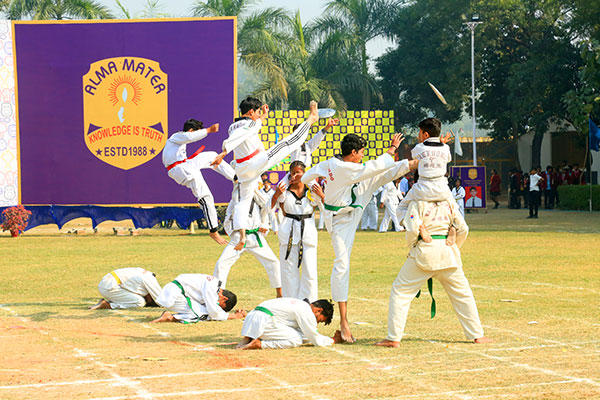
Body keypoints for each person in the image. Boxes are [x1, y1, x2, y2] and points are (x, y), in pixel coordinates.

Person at [302, 132, 417, 342]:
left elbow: (306, 177)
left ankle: (420, 161)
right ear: (353, 152)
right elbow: (370, 167)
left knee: (383, 174)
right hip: (339, 220)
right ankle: (343, 321)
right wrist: (391, 149)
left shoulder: (331, 164)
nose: (363, 155)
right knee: (342, 264)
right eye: (361, 152)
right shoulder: (342, 167)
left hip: (355, 201)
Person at [375, 199, 491, 347]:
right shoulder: (449, 201)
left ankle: (393, 337)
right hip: (447, 252)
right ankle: (477, 334)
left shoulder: (418, 201)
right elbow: (464, 228)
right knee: (463, 294)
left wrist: (413, 247)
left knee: (400, 292)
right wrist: (454, 246)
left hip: (424, 251)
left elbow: (411, 229)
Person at [211, 98, 319, 251]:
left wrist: (263, 115)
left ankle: (242, 236)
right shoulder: (248, 125)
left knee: (243, 202)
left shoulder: (234, 126)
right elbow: (240, 135)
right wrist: (224, 151)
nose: (257, 116)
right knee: (288, 143)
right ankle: (311, 120)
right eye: (256, 113)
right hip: (256, 161)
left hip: (242, 169)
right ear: (251, 112)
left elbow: (252, 126)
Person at [162, 119, 235, 245]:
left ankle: (236, 177)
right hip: (179, 169)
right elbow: (190, 136)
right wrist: (208, 130)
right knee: (206, 196)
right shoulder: (176, 137)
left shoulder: (179, 143)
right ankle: (213, 230)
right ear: (191, 130)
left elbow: (190, 137)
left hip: (185, 164)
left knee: (212, 155)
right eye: (197, 131)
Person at [213, 176, 282, 298]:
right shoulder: (235, 201)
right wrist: (235, 234)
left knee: (274, 262)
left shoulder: (259, 200)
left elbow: (266, 214)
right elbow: (228, 221)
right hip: (238, 239)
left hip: (256, 238)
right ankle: (218, 294)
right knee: (221, 264)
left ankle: (280, 294)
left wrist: (263, 227)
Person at [272, 161, 323, 302]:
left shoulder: (311, 191)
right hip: (288, 229)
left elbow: (326, 206)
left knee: (310, 268)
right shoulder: (284, 191)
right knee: (288, 269)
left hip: (307, 229)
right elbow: (270, 207)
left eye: (298, 173)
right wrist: (276, 194)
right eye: (292, 173)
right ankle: (291, 301)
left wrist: (321, 195)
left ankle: (310, 301)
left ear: (304, 174)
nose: (294, 176)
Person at [396, 118, 453, 222]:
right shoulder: (445, 148)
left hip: (423, 189)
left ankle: (415, 224)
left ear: (425, 135)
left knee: (401, 207)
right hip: (442, 189)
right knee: (455, 211)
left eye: (420, 133)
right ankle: (452, 227)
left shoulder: (419, 148)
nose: (418, 136)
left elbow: (416, 156)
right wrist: (442, 143)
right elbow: (447, 159)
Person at [237, 298, 342, 349]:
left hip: (251, 320)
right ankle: (260, 344)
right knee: (296, 339)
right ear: (318, 310)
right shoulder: (307, 311)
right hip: (264, 322)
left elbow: (306, 335)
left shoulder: (298, 303)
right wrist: (333, 340)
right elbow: (314, 339)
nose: (317, 323)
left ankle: (248, 338)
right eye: (320, 320)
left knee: (297, 335)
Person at [152, 273, 245, 323]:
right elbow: (214, 313)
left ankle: (171, 316)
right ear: (224, 298)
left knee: (202, 309)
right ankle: (171, 318)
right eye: (220, 305)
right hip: (174, 295)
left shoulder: (214, 284)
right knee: (205, 314)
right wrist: (235, 316)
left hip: (174, 293)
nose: (217, 304)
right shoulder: (212, 288)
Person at [89, 267, 162, 310]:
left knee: (136, 298)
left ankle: (109, 302)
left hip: (108, 283)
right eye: (148, 300)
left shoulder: (145, 273)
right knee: (140, 302)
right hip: (109, 286)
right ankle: (107, 305)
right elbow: (161, 300)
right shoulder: (150, 280)